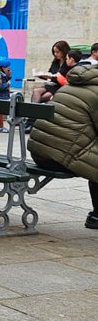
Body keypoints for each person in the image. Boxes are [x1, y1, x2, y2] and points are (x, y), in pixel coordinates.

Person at [29, 59, 98, 230]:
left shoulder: (69, 85)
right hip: (58, 157)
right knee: (94, 164)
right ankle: (96, 216)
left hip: (39, 152)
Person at [31, 40, 71, 105]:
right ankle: (32, 111)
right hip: (51, 85)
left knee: (43, 97)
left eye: (57, 52)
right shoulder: (55, 62)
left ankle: (34, 112)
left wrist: (50, 77)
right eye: (54, 52)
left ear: (63, 51)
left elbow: (63, 79)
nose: (55, 54)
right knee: (36, 91)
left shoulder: (68, 63)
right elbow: (50, 73)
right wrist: (41, 75)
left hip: (60, 86)